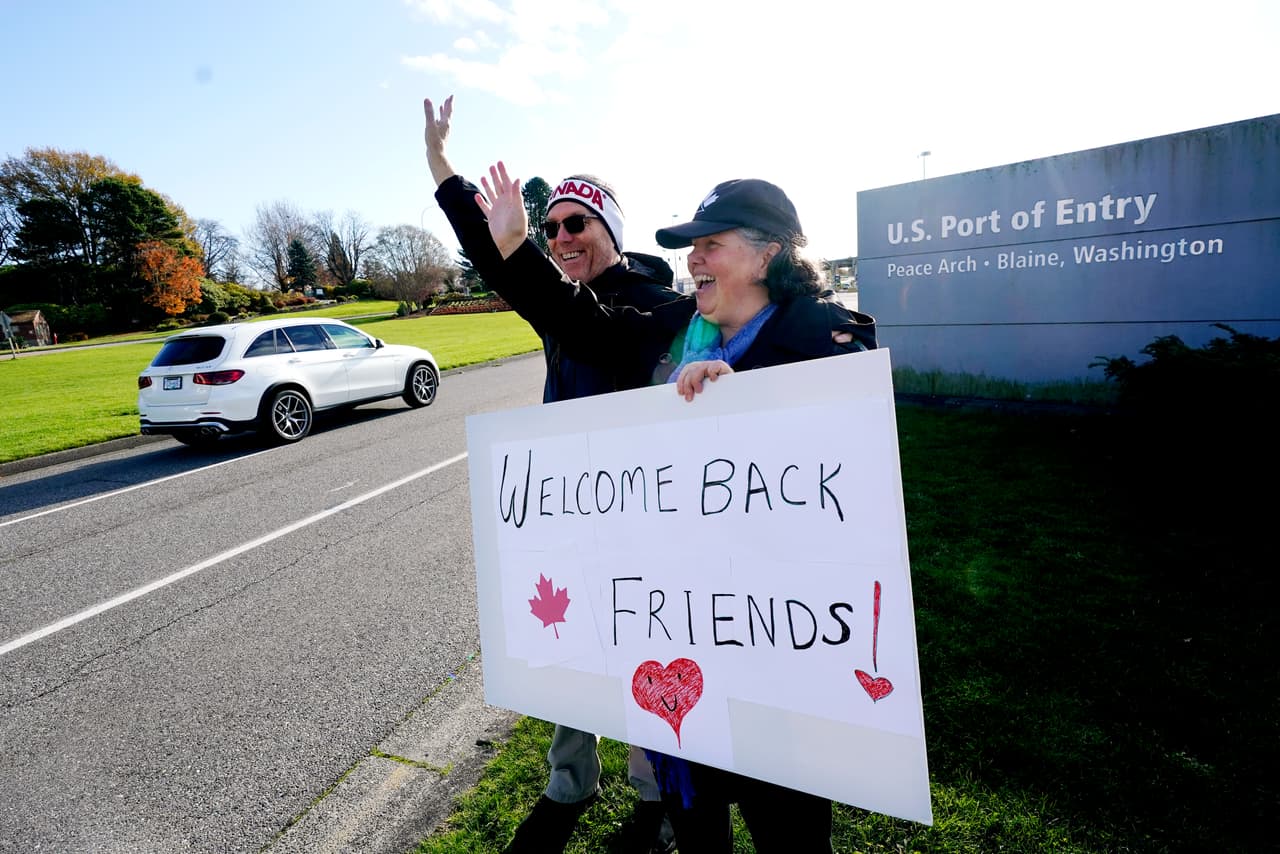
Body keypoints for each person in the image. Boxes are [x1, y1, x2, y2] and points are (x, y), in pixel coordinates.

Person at [426, 96, 877, 853]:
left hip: (777, 658)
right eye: (690, 245)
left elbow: (846, 458)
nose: (695, 258)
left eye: (711, 243)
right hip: (687, 636)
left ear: (767, 254)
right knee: (697, 826)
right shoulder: (680, 331)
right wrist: (498, 233)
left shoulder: (823, 335)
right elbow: (578, 321)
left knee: (791, 833)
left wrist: (743, 398)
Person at [424, 97, 679, 854]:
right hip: (569, 515)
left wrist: (519, 253)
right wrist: (442, 166)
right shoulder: (551, 297)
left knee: (641, 651)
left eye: (578, 224)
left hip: (643, 523)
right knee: (568, 648)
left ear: (611, 233)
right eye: (553, 226)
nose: (562, 236)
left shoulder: (661, 307)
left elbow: (585, 326)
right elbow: (495, 253)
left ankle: (655, 795)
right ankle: (571, 782)